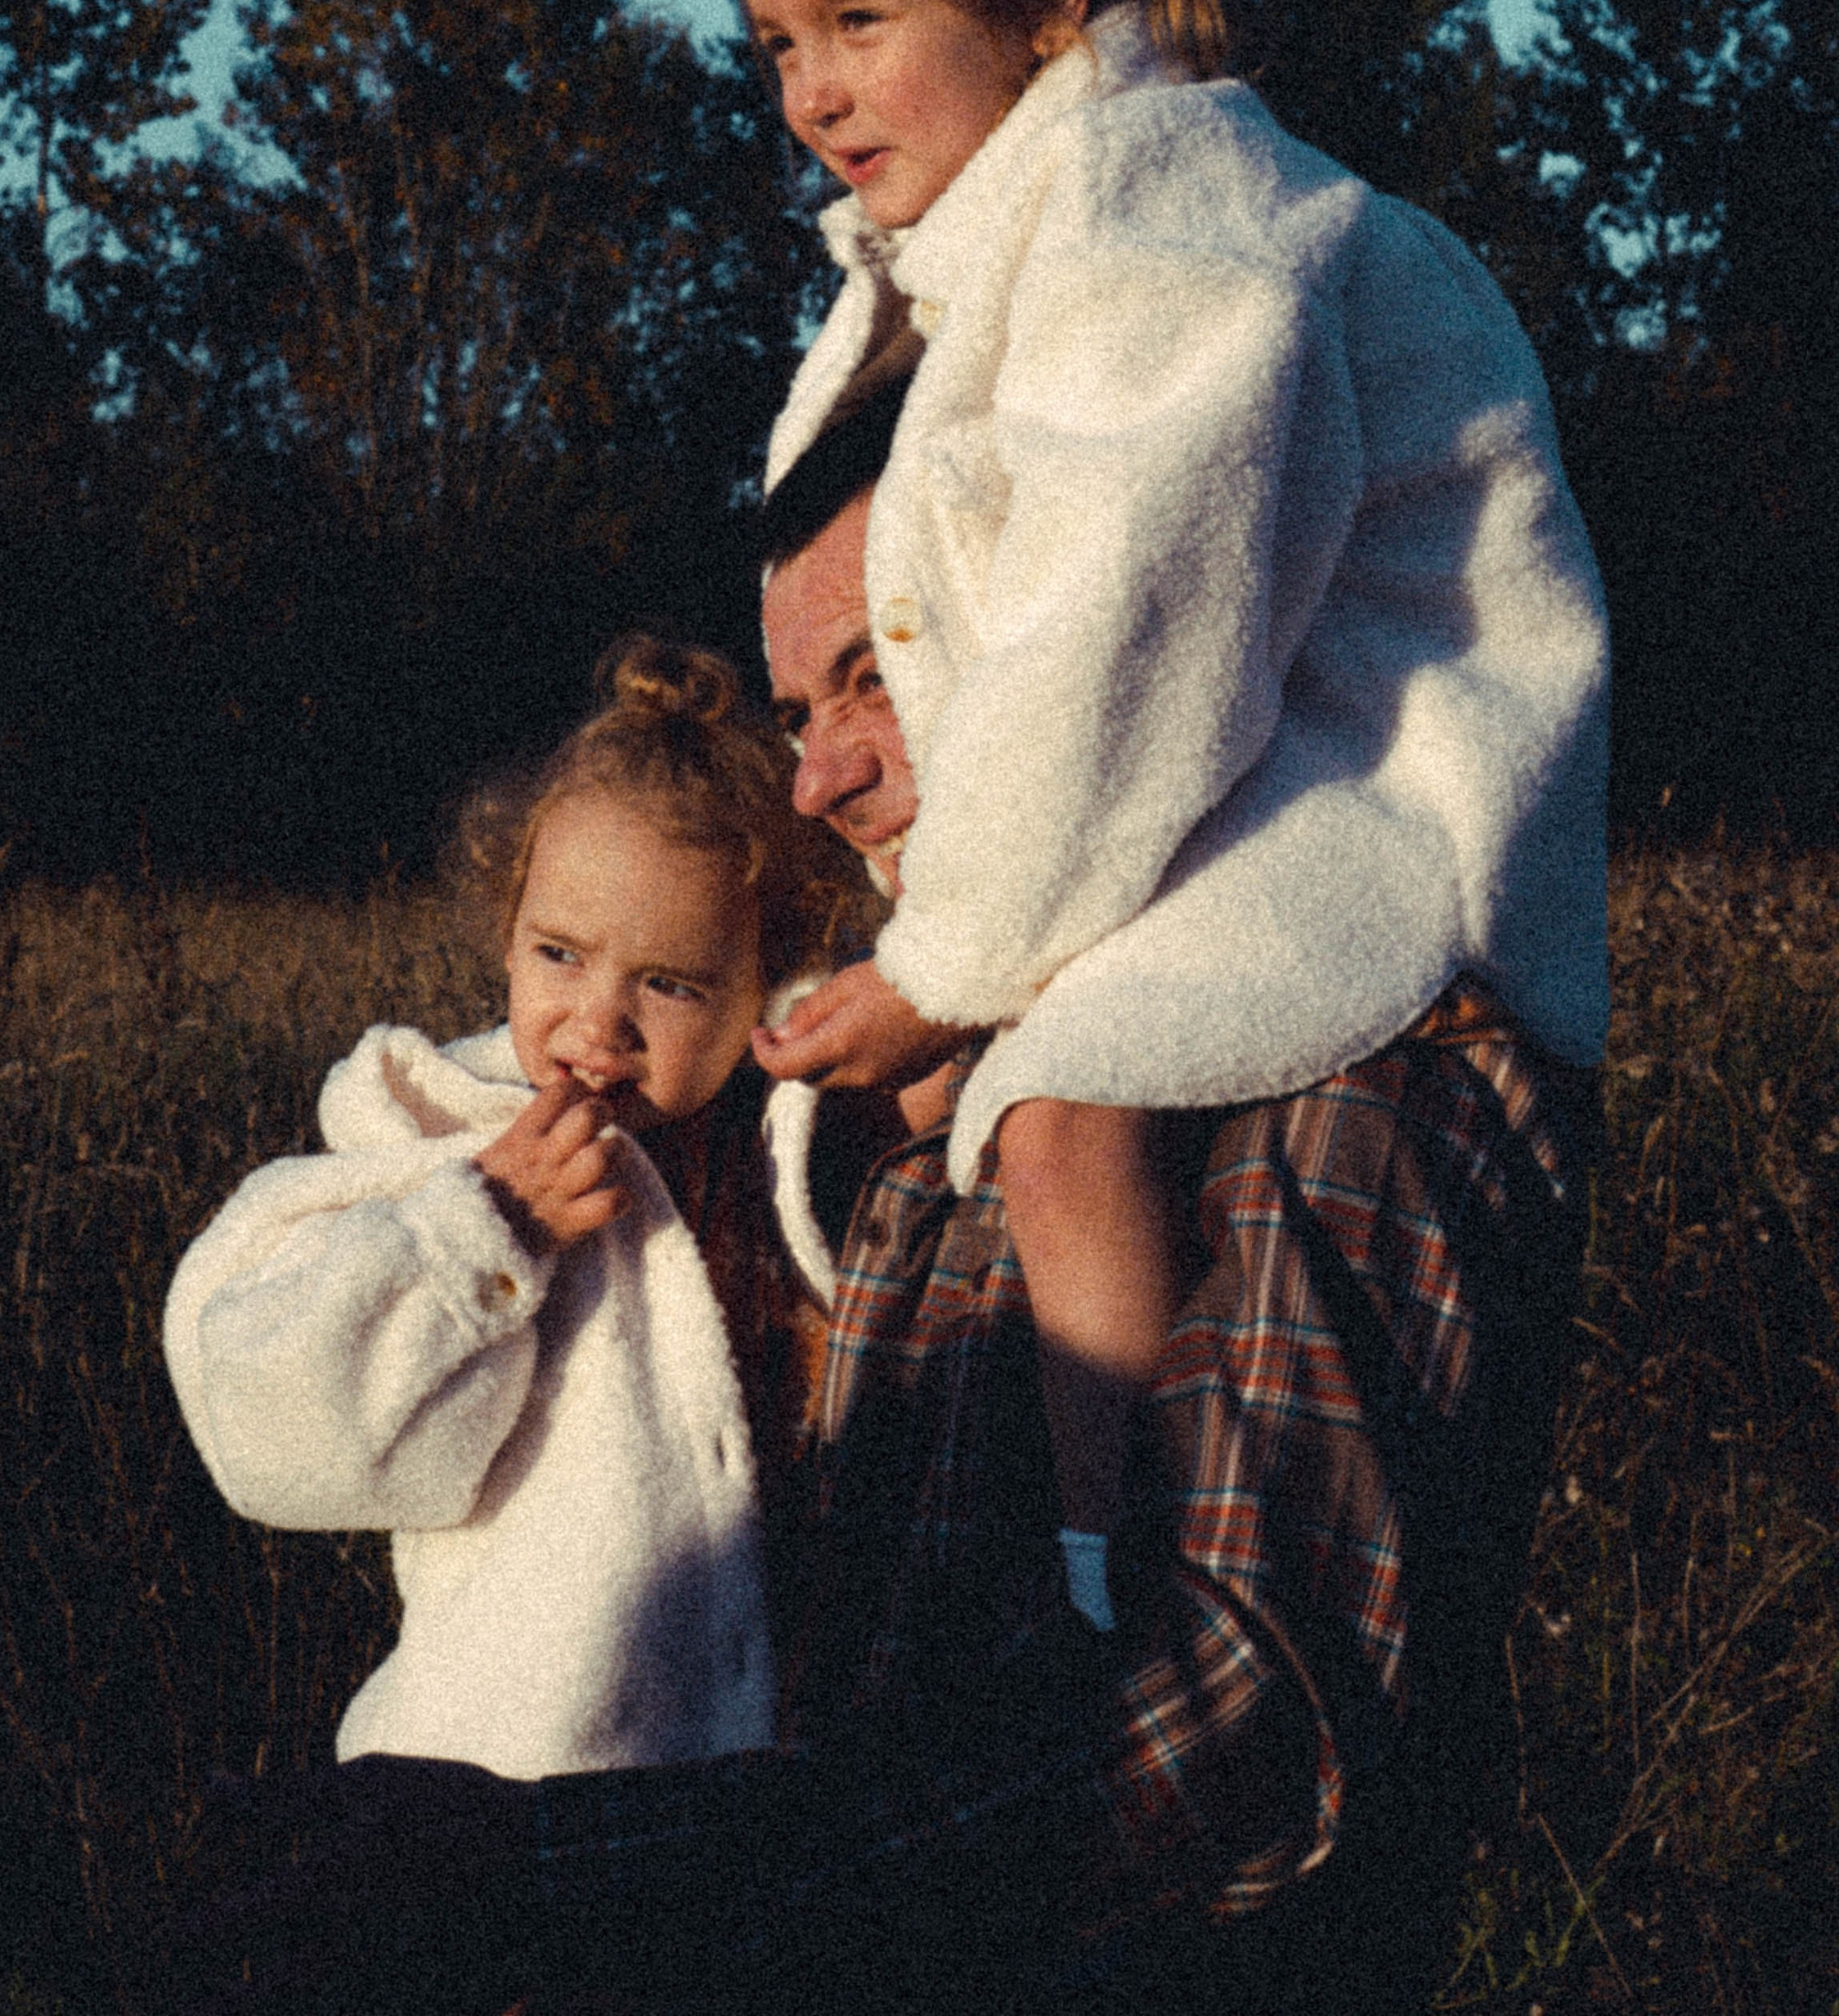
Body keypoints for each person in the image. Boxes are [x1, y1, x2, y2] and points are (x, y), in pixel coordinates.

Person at [169, 415, 1594, 2016]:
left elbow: (1239, 1739)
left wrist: (538, 1875)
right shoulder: (837, 1114)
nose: (824, 774)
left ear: (1092, 653)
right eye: (797, 709)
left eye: (882, 677)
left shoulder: (1331, 1070)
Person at [718, 0, 1609, 1539]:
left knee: (1056, 1111)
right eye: (777, 41)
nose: (809, 90)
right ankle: (1009, 1561)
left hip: (1391, 808)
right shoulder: (982, 259)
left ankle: (1106, 1561)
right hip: (1262, 787)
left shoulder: (1172, 218)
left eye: (857, 24)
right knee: (985, 1113)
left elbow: (1117, 631)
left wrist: (952, 955)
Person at [164, 638, 856, 1781]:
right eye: (559, 954)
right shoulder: (436, 1148)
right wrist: (481, 1232)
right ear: (508, 932)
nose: (599, 1021)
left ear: (762, 986)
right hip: (497, 1783)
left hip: (752, 1798)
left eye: (670, 984)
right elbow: (267, 1432)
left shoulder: (788, 1150)